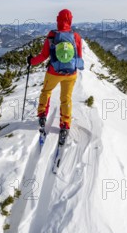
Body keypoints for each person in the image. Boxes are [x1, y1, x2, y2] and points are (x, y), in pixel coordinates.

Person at [27, 9, 84, 142]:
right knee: (66, 99)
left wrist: (31, 61)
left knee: (46, 91)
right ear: (70, 20)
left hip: (53, 72)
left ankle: (42, 115)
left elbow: (43, 55)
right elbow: (79, 57)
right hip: (71, 74)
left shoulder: (52, 35)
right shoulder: (76, 36)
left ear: (58, 19)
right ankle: (65, 124)